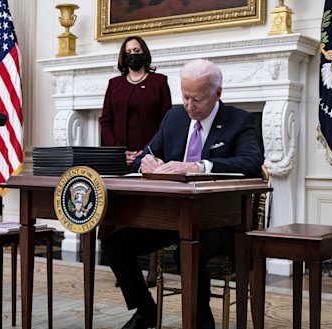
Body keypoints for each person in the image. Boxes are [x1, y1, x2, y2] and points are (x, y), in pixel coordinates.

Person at [103, 59, 263, 329]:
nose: (189, 105)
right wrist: (145, 162)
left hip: (220, 221)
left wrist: (199, 166)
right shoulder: (175, 117)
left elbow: (251, 163)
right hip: (174, 216)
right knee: (114, 244)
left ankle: (202, 322)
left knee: (189, 252)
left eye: (197, 99)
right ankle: (146, 310)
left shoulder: (239, 120)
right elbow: (142, 156)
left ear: (218, 93)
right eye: (185, 96)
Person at [100, 35, 172, 287]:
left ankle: (153, 268)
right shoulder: (114, 84)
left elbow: (167, 122)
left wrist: (145, 152)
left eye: (137, 50)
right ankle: (125, 270)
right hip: (119, 158)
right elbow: (105, 121)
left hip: (152, 158)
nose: (133, 54)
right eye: (129, 51)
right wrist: (118, 150)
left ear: (145, 53)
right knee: (121, 210)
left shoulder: (159, 82)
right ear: (123, 56)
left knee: (150, 211)